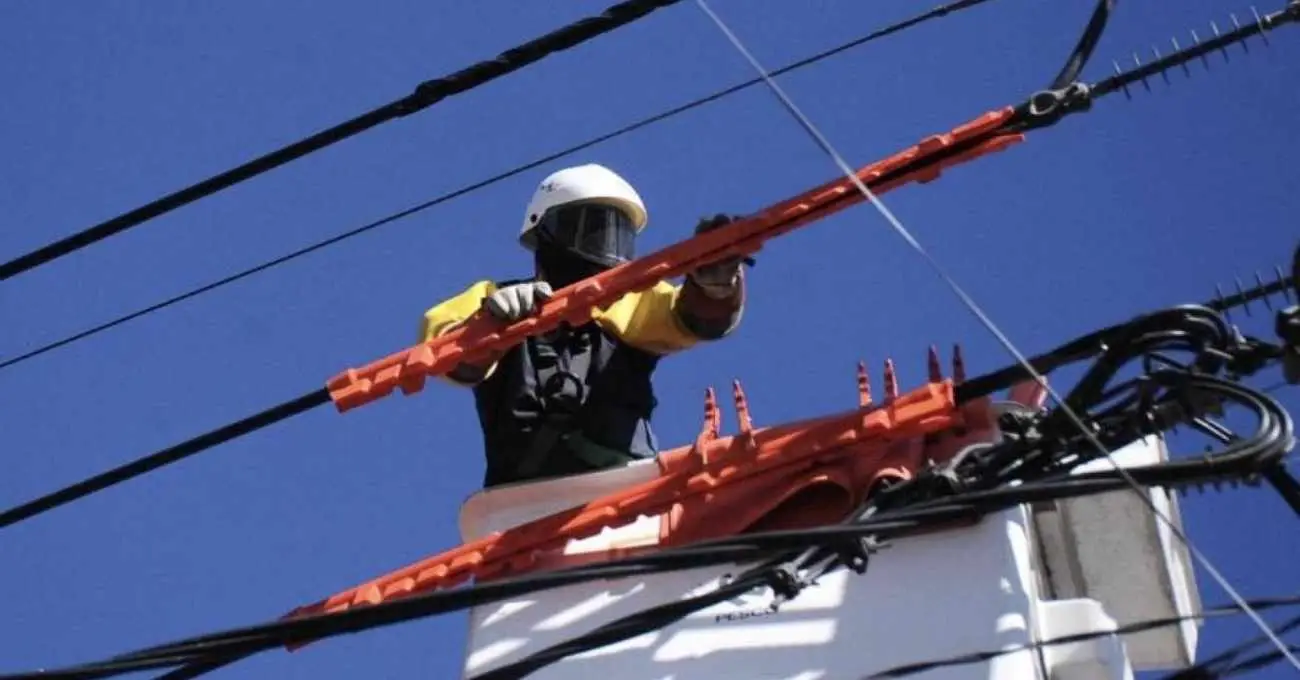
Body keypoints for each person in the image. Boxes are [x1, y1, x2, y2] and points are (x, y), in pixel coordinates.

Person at [419, 163, 748, 488]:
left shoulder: (630, 299)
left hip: (623, 482)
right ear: (545, 231)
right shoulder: (494, 297)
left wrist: (715, 285)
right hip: (521, 495)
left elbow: (691, 318)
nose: (605, 247)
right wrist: (491, 325)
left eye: (617, 235)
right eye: (591, 228)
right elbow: (443, 351)